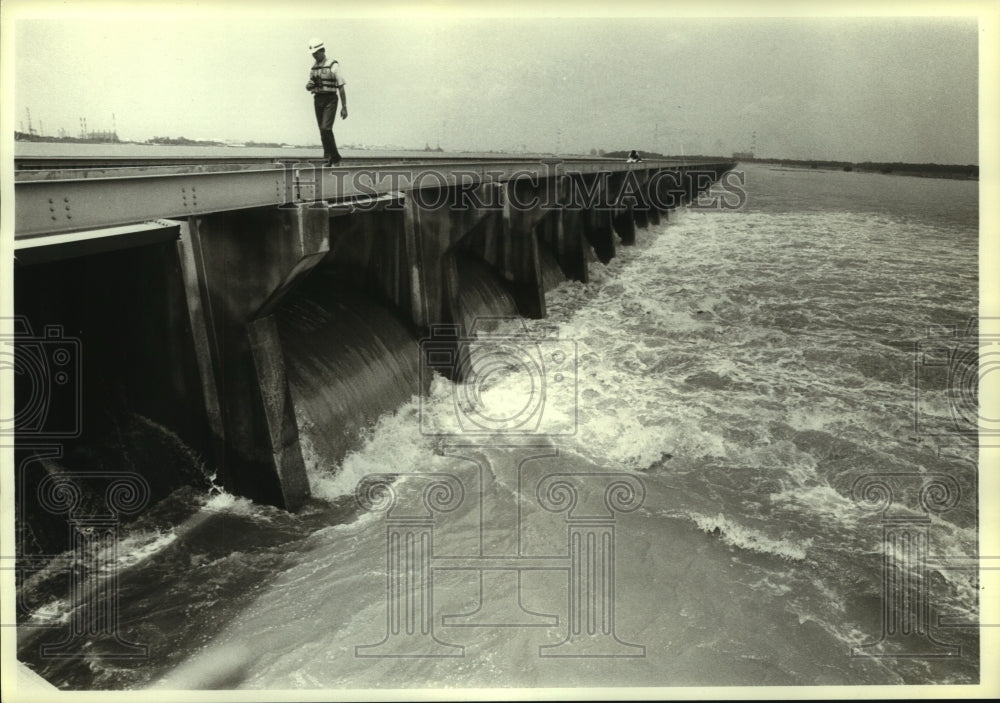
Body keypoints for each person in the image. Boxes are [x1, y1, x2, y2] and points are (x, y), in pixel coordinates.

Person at [306, 38, 348, 166]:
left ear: (322, 51)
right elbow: (310, 85)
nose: (314, 55)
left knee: (326, 128)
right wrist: (309, 86)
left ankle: (335, 157)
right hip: (318, 99)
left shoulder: (333, 65)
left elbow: (341, 86)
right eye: (313, 53)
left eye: (316, 53)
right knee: (322, 129)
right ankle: (328, 157)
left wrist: (344, 106)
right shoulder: (313, 67)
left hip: (330, 98)